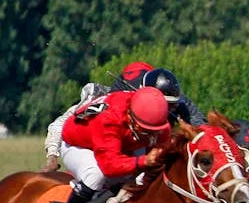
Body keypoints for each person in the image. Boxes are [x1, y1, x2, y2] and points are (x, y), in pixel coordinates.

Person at [47, 86, 172, 203]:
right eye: (145, 130)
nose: (150, 135)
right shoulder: (110, 119)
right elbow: (110, 166)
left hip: (118, 141)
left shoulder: (153, 118)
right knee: (96, 174)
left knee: (142, 177)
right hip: (78, 144)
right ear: (131, 116)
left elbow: (163, 143)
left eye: (154, 131)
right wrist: (144, 161)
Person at [42, 62, 204, 172]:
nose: (160, 108)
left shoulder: (178, 101)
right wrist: (52, 157)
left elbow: (203, 130)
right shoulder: (105, 99)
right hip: (99, 151)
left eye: (169, 105)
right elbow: (60, 125)